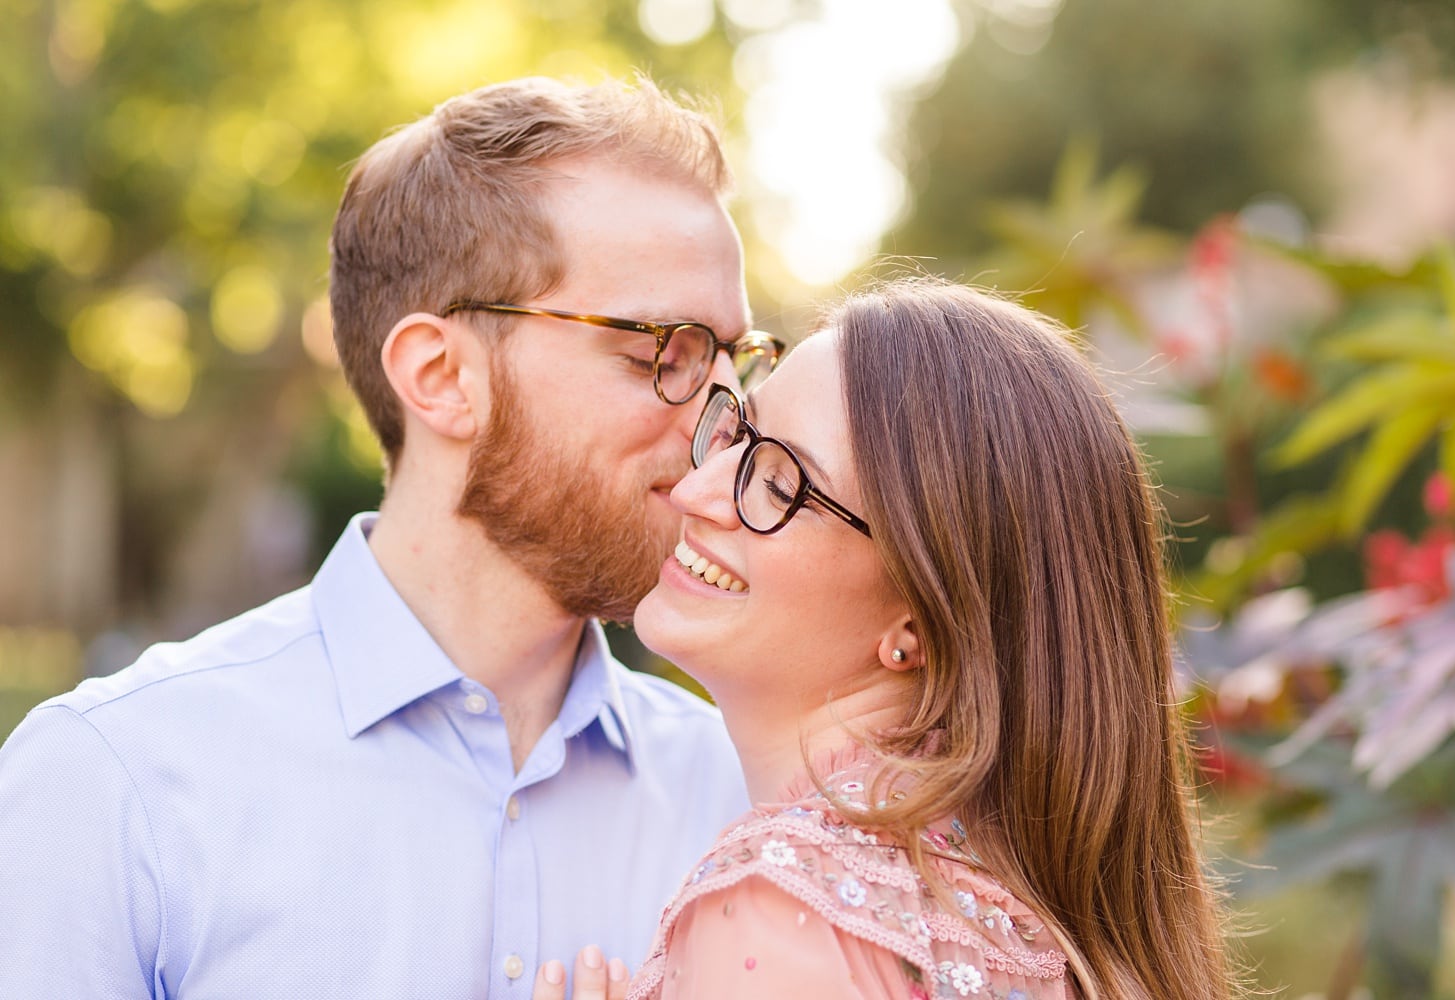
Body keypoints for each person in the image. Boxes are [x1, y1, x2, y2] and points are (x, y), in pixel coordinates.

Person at [0, 75, 781, 996]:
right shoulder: (111, 784)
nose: (728, 419)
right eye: (668, 352)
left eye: (737, 360)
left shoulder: (747, 807)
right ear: (442, 375)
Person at [537, 278, 1236, 1000]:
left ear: (922, 620)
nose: (694, 492)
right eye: (736, 435)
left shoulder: (781, 905)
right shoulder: (1032, 918)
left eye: (781, 487)